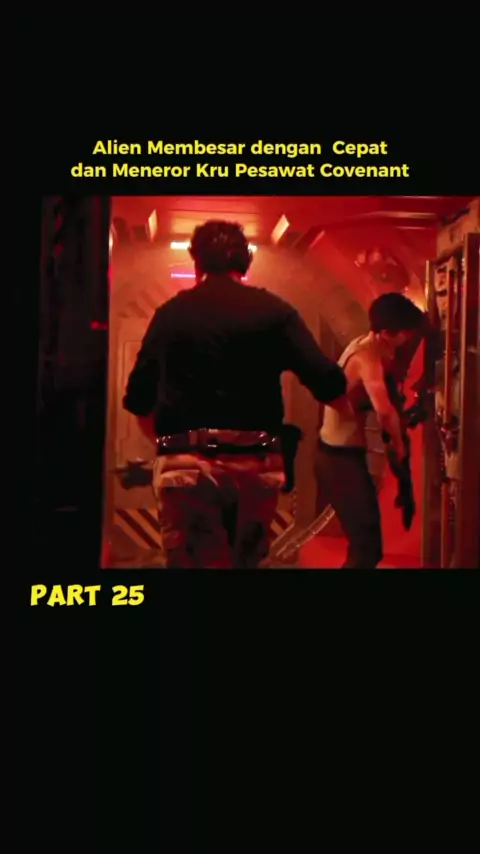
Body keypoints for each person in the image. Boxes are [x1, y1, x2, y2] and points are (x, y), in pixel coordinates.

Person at [123, 219, 348, 568]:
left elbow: (139, 399)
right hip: (254, 464)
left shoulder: (170, 315)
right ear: (245, 261)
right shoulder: (276, 313)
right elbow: (329, 383)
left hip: (187, 464)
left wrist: (174, 446)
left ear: (196, 262)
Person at [316, 292, 426, 569]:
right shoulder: (367, 357)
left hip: (342, 456)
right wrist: (399, 447)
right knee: (366, 548)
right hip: (338, 459)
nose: (408, 339)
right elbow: (384, 411)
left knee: (366, 547)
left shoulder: (368, 344)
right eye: (405, 334)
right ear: (387, 333)